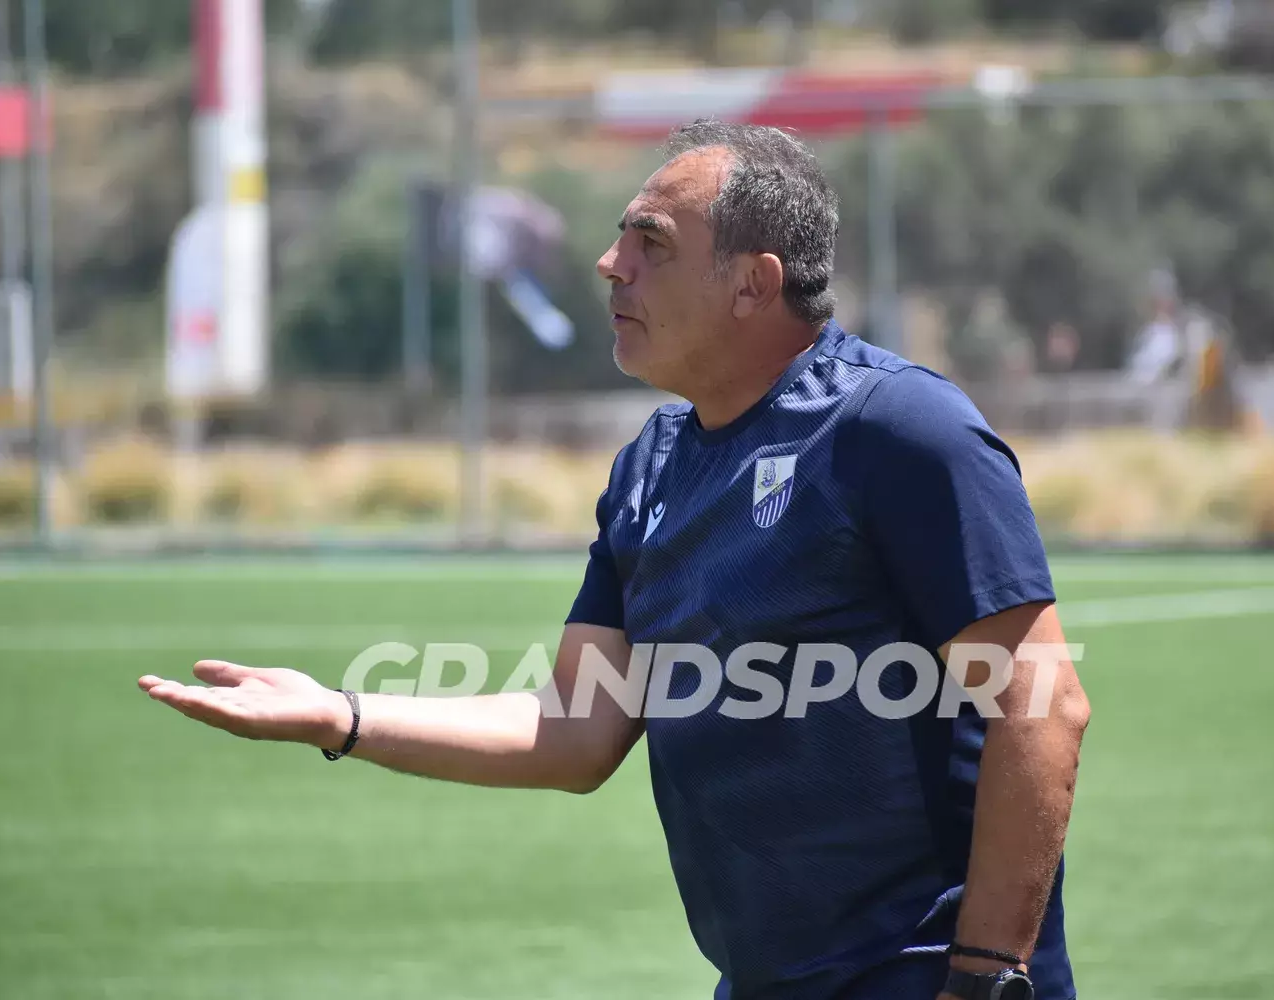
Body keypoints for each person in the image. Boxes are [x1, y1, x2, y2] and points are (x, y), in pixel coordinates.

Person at [138, 120, 1091, 1000]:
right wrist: (342, 716)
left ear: (752, 283)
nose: (610, 263)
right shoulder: (652, 464)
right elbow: (576, 727)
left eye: (651, 244)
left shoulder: (900, 428)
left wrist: (985, 977)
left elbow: (1042, 704)